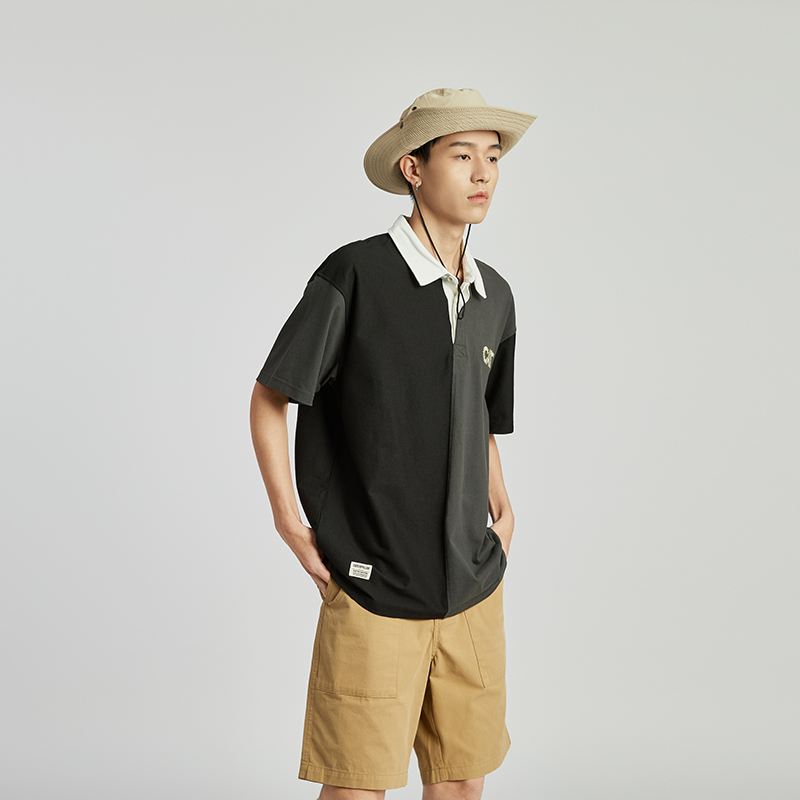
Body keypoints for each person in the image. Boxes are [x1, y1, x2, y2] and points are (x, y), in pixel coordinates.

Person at [250, 87, 536, 800]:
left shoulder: (495, 296)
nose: (483, 173)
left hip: (471, 587)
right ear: (414, 168)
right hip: (373, 587)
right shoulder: (355, 274)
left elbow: (481, 417)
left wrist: (503, 513)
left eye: (492, 156)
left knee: (461, 783)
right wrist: (289, 522)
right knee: (357, 787)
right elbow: (271, 396)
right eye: (462, 155)